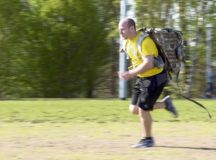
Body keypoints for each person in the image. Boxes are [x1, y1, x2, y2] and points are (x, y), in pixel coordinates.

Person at [118, 17, 178, 148]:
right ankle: (165, 104)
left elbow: (149, 64)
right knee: (133, 109)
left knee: (142, 109)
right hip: (143, 78)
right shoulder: (127, 43)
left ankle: (148, 139)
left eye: (122, 29)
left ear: (132, 28)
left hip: (156, 78)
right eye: (119, 30)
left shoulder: (145, 42)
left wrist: (130, 73)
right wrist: (131, 73)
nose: (120, 32)